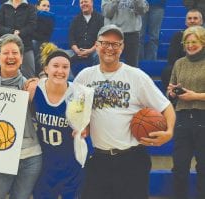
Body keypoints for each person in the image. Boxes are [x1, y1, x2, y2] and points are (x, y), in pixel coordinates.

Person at [73, 24, 176, 199]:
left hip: (132, 159)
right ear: (96, 45)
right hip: (99, 158)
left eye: (116, 44)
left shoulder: (137, 76)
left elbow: (166, 107)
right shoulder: (84, 76)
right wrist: (83, 126)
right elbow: (78, 112)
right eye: (105, 43)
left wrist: (169, 132)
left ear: (122, 48)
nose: (110, 48)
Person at [0, 34, 42, 199]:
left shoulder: (32, 87)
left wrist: (39, 91)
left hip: (30, 157)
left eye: (15, 53)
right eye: (5, 53)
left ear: (22, 58)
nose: (10, 57)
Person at [25, 46, 87, 199]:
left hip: (71, 162)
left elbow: (88, 124)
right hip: (45, 163)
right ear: (46, 68)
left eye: (65, 67)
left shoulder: (79, 94)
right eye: (56, 66)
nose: (60, 70)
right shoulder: (34, 89)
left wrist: (85, 130)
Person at [167, 25, 205, 199]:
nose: (190, 45)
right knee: (179, 167)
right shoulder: (179, 63)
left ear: (202, 42)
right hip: (182, 119)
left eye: (194, 42)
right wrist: (172, 92)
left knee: (203, 167)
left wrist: (194, 96)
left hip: (202, 118)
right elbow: (171, 89)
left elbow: (193, 96)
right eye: (187, 42)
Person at [161, 9, 203, 92]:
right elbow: (172, 58)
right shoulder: (178, 36)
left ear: (201, 21)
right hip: (183, 65)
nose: (192, 21)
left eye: (195, 18)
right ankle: (174, 96)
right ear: (185, 22)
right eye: (189, 18)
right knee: (167, 71)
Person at [0, 0, 37, 79]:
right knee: (3, 75)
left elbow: (32, 25)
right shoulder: (4, 7)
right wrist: (11, 32)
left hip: (26, 47)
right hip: (6, 46)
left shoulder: (30, 7)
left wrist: (20, 33)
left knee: (29, 77)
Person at [101, 0, 149, 67]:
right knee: (111, 65)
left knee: (132, 67)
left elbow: (142, 11)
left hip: (132, 33)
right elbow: (106, 13)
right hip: (113, 33)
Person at [68, 0, 104, 77]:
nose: (83, 4)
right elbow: (71, 38)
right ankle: (71, 82)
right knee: (63, 56)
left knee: (99, 54)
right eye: (81, 2)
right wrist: (77, 51)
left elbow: (101, 39)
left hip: (94, 50)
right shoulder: (75, 19)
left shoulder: (100, 19)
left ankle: (97, 78)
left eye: (86, 1)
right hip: (77, 50)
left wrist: (90, 51)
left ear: (92, 3)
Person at [32, 0, 55, 76]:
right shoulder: (33, 16)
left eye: (48, 6)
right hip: (34, 42)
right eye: (44, 5)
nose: (46, 8)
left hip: (44, 42)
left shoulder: (51, 18)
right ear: (38, 7)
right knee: (34, 43)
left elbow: (47, 35)